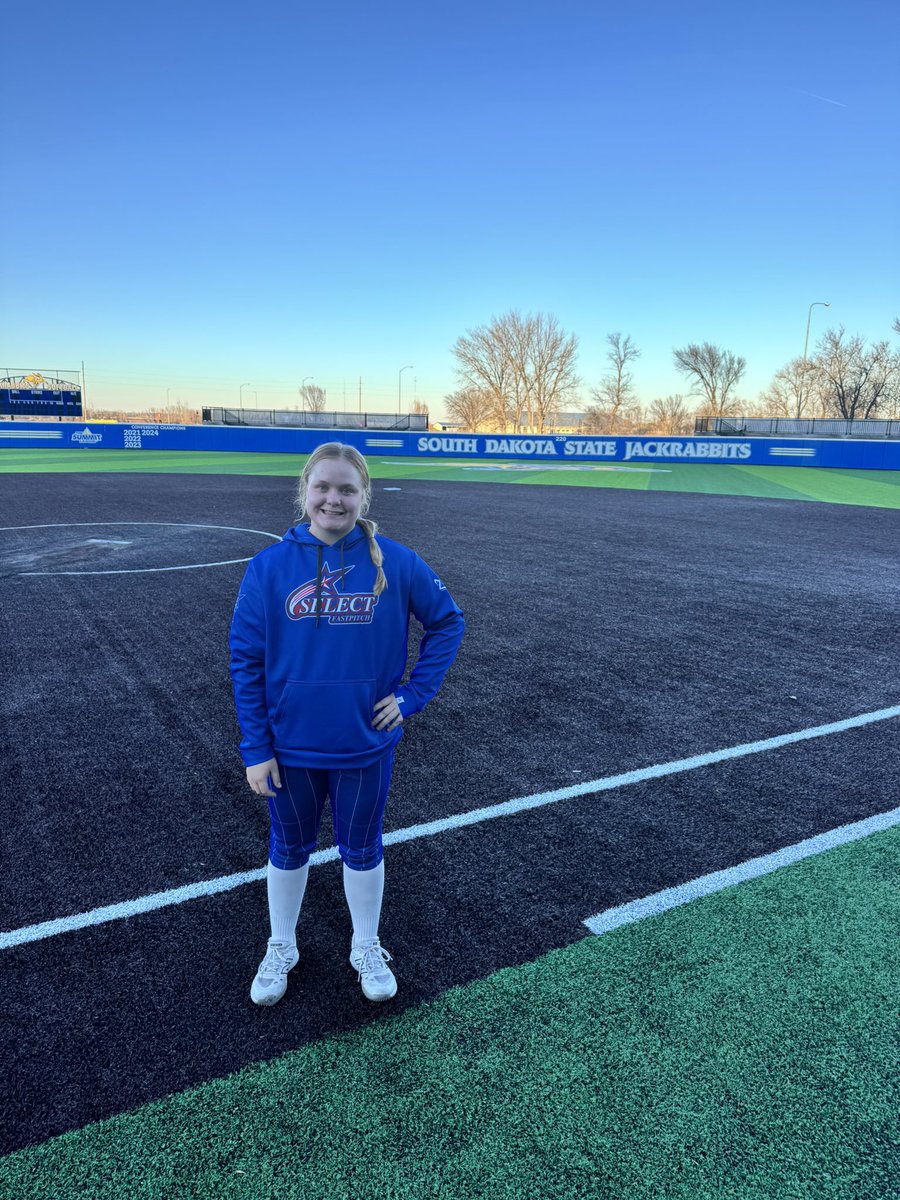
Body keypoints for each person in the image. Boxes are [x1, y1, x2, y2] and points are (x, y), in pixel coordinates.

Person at [230, 442, 464, 1006]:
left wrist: (410, 697)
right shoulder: (269, 566)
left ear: (364, 497)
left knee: (362, 846)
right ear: (305, 492)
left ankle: (366, 943)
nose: (333, 498)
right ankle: (281, 943)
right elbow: (245, 658)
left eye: (346, 489)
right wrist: (256, 746)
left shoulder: (399, 562)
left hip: (364, 744)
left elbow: (448, 623)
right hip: (289, 749)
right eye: (323, 487)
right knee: (289, 845)